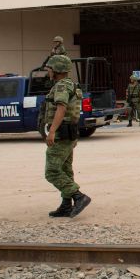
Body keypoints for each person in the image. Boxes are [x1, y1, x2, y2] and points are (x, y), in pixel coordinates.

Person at [43, 55, 91, 218]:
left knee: (52, 171)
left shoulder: (61, 86)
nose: (48, 71)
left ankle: (78, 197)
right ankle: (66, 205)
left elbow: (61, 108)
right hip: (70, 134)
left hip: (62, 134)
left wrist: (52, 131)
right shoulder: (72, 85)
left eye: (49, 68)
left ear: (56, 69)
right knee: (65, 169)